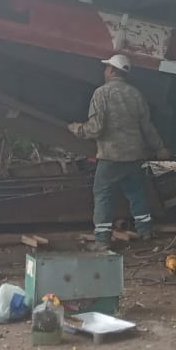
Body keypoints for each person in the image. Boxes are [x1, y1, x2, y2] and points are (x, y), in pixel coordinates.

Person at [69, 54, 169, 247]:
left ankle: (102, 240)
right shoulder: (136, 94)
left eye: (107, 68)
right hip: (134, 155)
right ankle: (145, 231)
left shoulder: (101, 93)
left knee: (102, 194)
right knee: (136, 192)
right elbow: (147, 127)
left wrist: (77, 129)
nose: (105, 71)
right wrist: (160, 147)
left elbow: (95, 128)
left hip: (111, 156)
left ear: (113, 71)